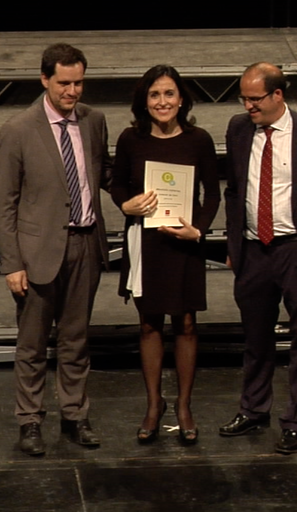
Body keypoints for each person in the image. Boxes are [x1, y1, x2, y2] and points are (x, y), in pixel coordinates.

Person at [219, 62, 297, 454]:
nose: (248, 106)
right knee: (255, 338)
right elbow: (234, 190)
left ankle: (296, 422)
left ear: (278, 95)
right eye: (244, 98)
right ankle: (254, 408)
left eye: (255, 98)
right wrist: (234, 244)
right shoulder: (239, 129)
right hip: (253, 250)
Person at [0, 43, 112, 455]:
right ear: (45, 79)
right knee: (32, 344)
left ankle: (75, 415)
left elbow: (103, 174)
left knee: (76, 341)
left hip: (85, 245)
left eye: (79, 82)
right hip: (37, 252)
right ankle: (29, 421)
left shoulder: (94, 122)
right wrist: (12, 262)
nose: (73, 91)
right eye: (64, 83)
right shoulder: (19, 128)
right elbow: (4, 202)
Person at [111, 65, 220, 445]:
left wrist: (199, 230)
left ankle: (184, 406)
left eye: (169, 94)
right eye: (155, 95)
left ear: (182, 99)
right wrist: (127, 205)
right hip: (147, 241)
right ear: (144, 100)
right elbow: (117, 184)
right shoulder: (130, 139)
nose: (162, 102)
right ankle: (153, 405)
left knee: (186, 323)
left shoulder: (199, 139)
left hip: (185, 242)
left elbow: (213, 194)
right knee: (148, 325)